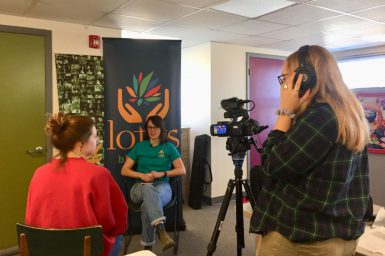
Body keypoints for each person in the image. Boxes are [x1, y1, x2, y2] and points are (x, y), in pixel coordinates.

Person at [250, 45, 370, 256]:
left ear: (305, 79)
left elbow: (273, 165)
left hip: (302, 239)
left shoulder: (320, 117)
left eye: (285, 77)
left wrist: (284, 113)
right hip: (333, 235)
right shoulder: (347, 114)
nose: (283, 85)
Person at [25, 113, 128, 256]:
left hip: (44, 250)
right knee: (117, 235)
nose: (97, 140)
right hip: (86, 251)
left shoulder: (39, 173)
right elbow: (116, 220)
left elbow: (31, 218)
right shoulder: (98, 174)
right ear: (81, 143)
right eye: (94, 136)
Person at [121, 115, 186, 251]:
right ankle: (161, 230)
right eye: (149, 127)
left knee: (147, 205)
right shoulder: (139, 146)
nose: (152, 130)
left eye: (156, 127)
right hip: (139, 187)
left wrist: (162, 174)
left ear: (161, 129)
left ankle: (147, 246)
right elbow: (124, 170)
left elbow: (182, 170)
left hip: (162, 186)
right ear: (146, 129)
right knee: (147, 189)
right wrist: (141, 175)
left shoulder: (169, 147)